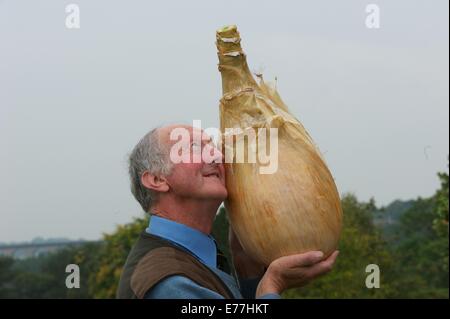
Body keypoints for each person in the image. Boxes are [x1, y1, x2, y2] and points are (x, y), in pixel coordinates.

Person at [116, 124, 339, 299]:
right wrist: (272, 285)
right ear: (156, 179)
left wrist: (248, 275)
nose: (217, 156)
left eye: (212, 146)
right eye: (194, 147)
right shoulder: (169, 282)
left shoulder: (191, 260)